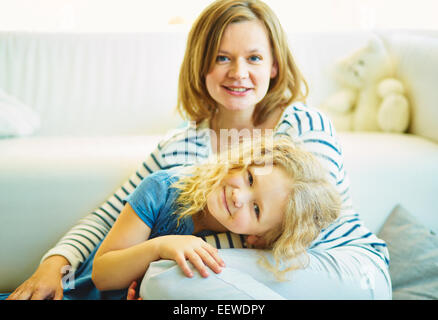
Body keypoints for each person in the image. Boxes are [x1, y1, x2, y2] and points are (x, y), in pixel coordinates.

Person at [5, 0, 391, 300]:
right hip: (235, 282)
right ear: (200, 66)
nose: (238, 72)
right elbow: (109, 216)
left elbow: (297, 233)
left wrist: (164, 256)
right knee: (171, 280)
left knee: (167, 277)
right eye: (222, 57)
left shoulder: (302, 125)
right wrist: (54, 266)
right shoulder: (178, 148)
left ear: (274, 66)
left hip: (341, 269)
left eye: (254, 58)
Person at [91, 137, 341, 292]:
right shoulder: (163, 189)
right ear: (243, 162)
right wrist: (161, 247)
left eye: (256, 209)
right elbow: (101, 275)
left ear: (259, 238)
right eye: (250, 178)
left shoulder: (239, 253)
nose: (238, 196)